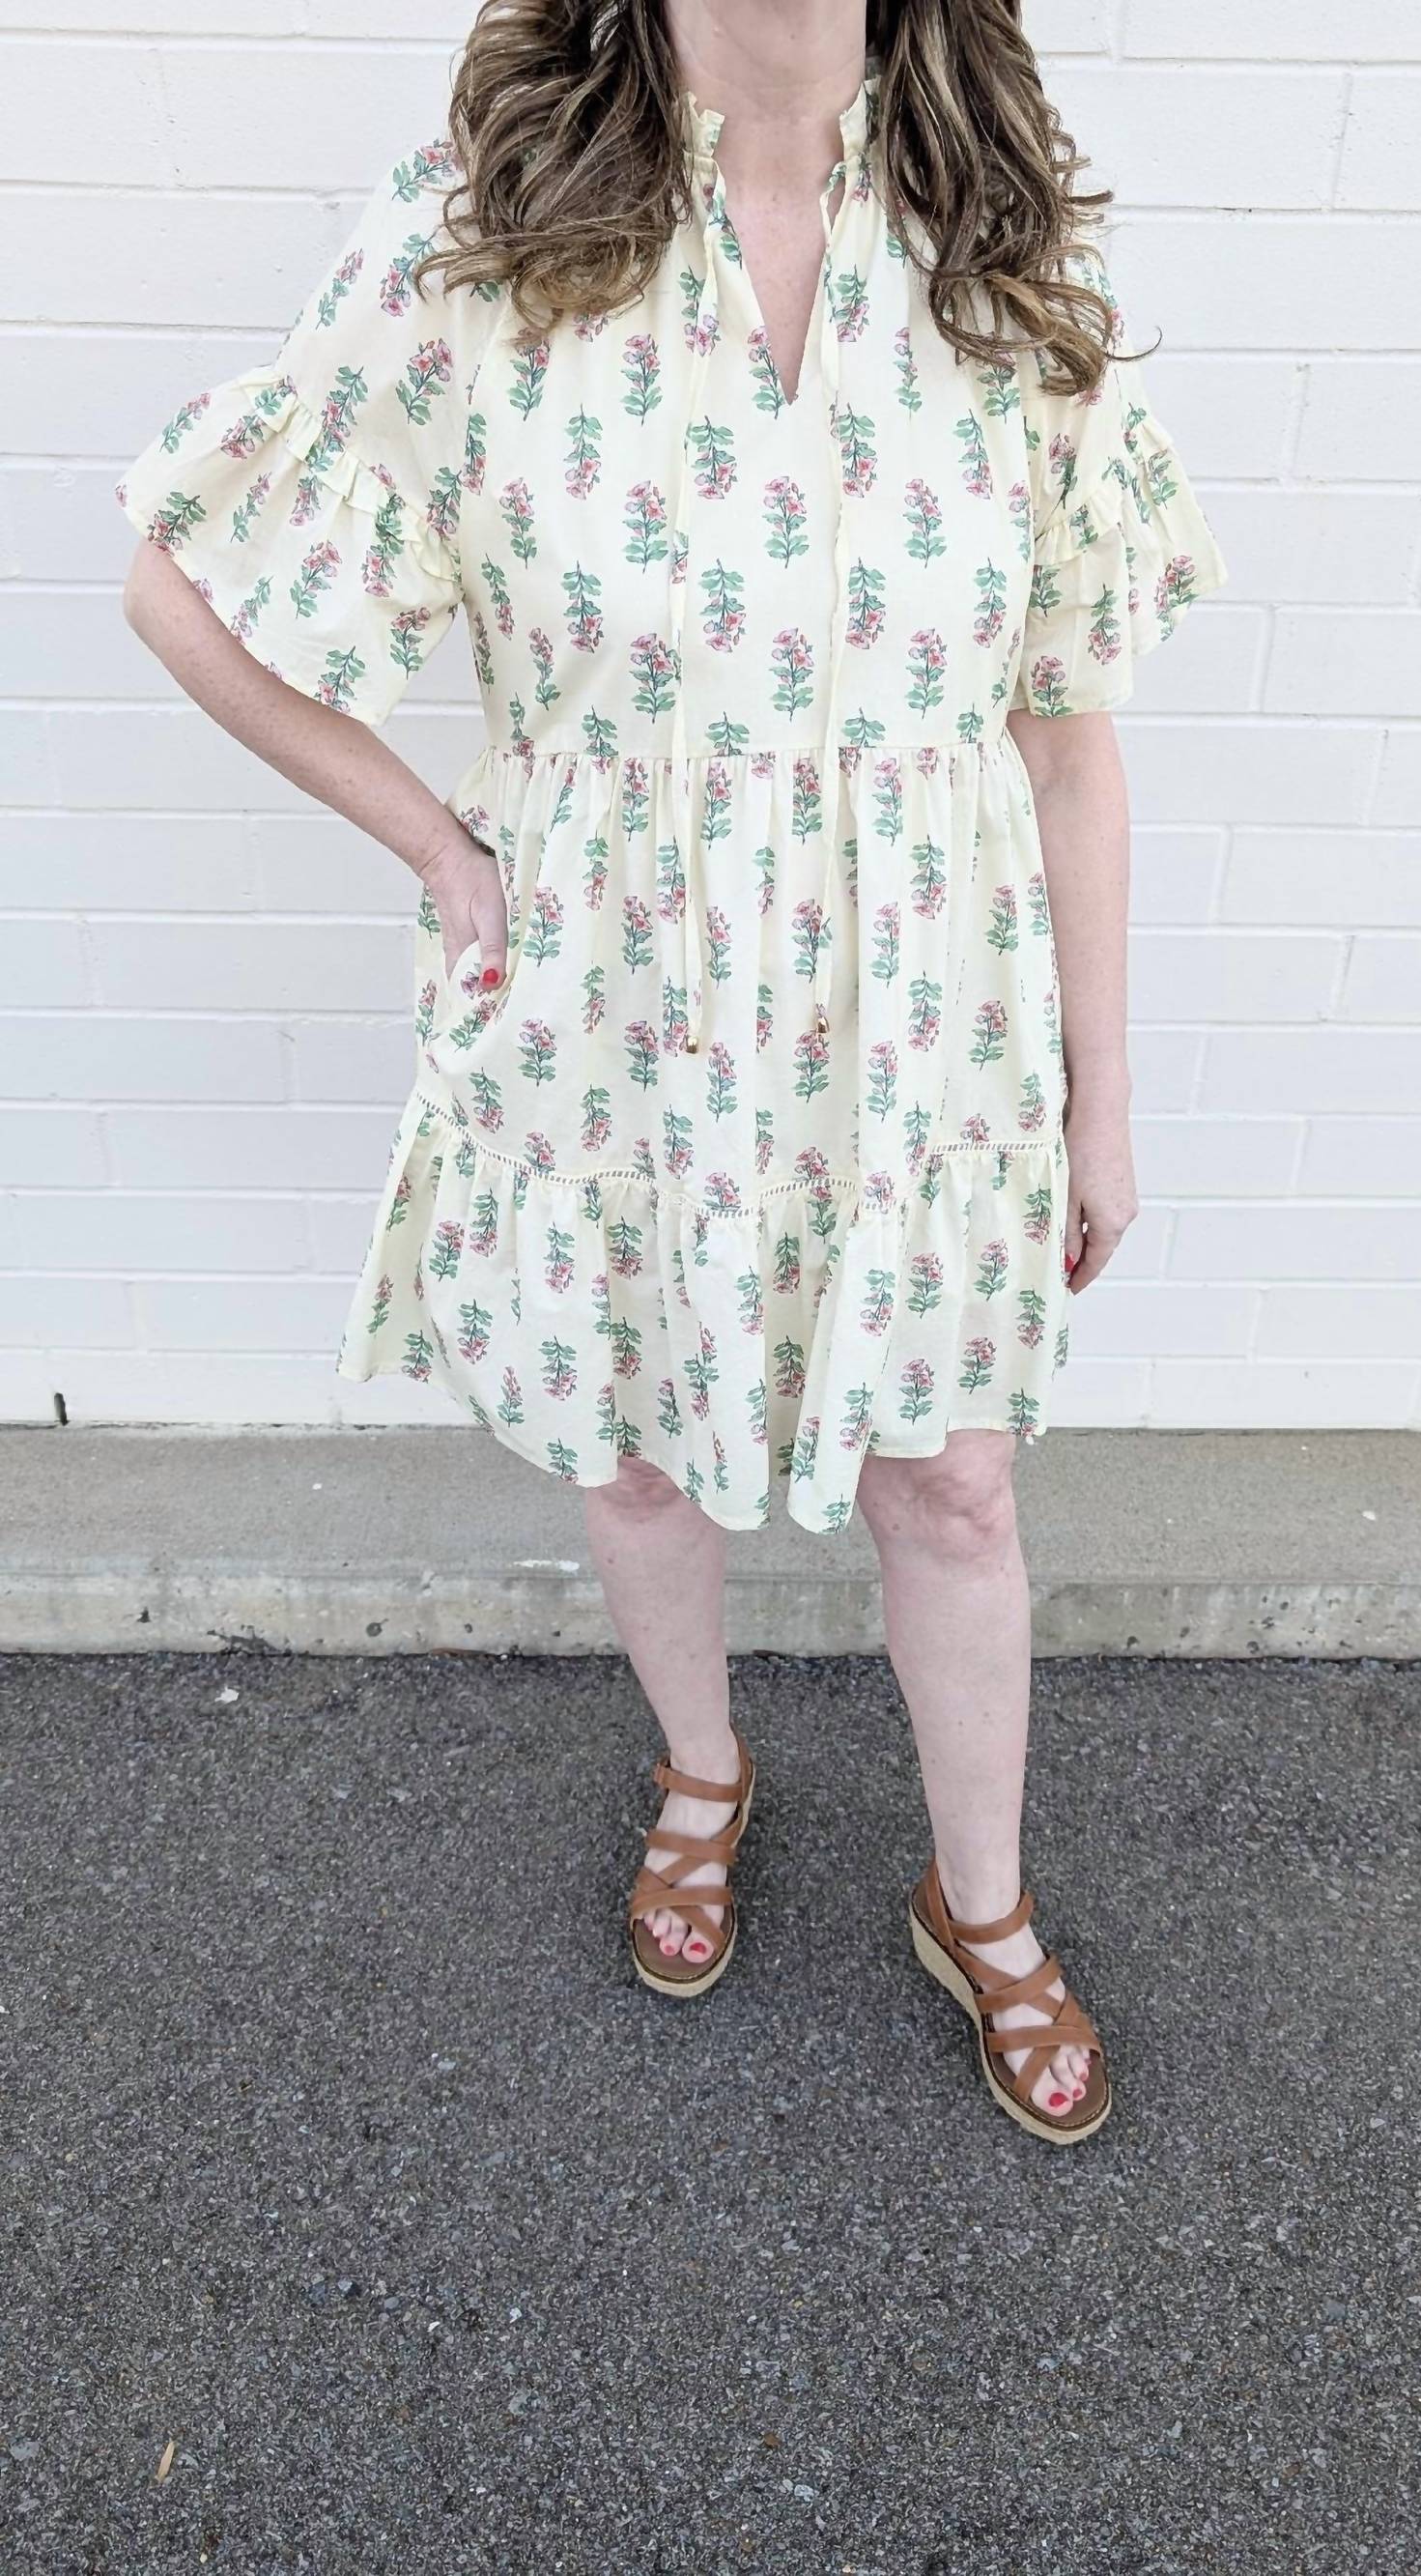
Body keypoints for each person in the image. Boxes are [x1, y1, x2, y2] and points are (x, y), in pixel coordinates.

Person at [118, 0, 1226, 2143]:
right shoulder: (488, 239)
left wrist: (1104, 1094)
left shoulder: (996, 250)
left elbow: (1070, 737)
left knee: (955, 1480)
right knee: (633, 1450)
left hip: (926, 1041)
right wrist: (443, 847)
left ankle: (980, 1902)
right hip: (608, 1021)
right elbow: (186, 584)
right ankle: (702, 1774)